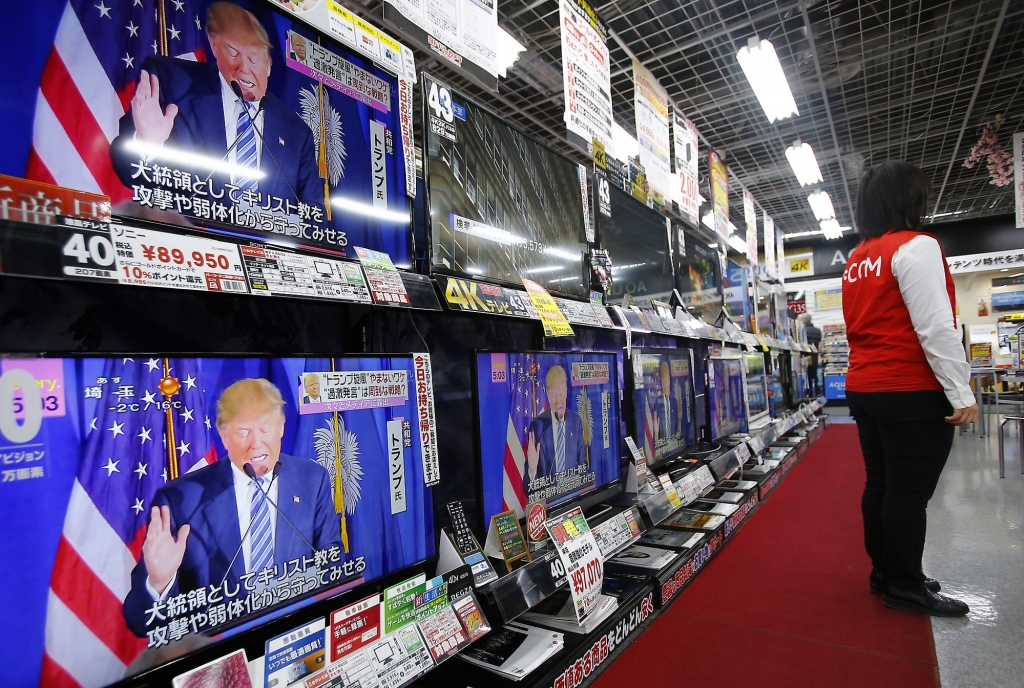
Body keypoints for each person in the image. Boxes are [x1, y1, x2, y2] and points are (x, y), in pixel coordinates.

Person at [842, 160, 977, 617]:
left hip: (866, 386)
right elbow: (937, 328)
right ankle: (904, 583)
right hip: (910, 387)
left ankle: (886, 570)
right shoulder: (916, 247)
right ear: (910, 199)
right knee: (907, 493)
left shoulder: (857, 258)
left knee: (880, 484)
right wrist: (961, 392)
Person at [122, 378, 341, 637]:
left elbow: (333, 567)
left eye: (265, 428)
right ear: (224, 436)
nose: (256, 443)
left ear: (281, 426)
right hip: (222, 659)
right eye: (244, 432)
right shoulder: (180, 499)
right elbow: (139, 622)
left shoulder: (311, 479)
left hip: (296, 641)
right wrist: (158, 583)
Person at [111, 2, 322, 212]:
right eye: (233, 52)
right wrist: (147, 144)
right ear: (214, 47)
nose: (244, 68)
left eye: (253, 57)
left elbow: (314, 214)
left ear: (269, 63)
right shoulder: (171, 83)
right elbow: (128, 172)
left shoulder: (296, 132)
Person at [523, 365, 587, 496]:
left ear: (567, 392)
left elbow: (583, 468)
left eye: (561, 394)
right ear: (547, 394)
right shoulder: (537, 426)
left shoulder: (576, 421)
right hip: (549, 505)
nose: (558, 401)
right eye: (554, 395)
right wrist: (532, 470)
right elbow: (527, 491)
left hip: (574, 500)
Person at [802, 315, 822, 395]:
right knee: (813, 373)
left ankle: (808, 391)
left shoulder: (803, 330)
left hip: (806, 355)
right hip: (814, 355)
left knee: (806, 373)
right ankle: (816, 391)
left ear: (804, 320)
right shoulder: (817, 330)